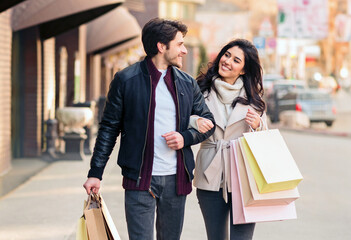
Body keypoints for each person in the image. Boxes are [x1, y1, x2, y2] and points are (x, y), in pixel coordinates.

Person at [83, 18, 215, 240]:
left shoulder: (187, 83)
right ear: (161, 47)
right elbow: (108, 128)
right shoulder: (126, 80)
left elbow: (207, 121)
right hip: (139, 180)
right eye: (179, 44)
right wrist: (95, 173)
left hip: (176, 179)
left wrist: (185, 138)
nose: (184, 51)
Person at [191, 39, 267, 240]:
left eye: (236, 60)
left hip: (244, 176)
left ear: (243, 69)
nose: (227, 61)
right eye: (226, 55)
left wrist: (258, 125)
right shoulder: (200, 90)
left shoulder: (254, 99)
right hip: (210, 173)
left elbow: (265, 141)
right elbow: (183, 121)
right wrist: (194, 121)